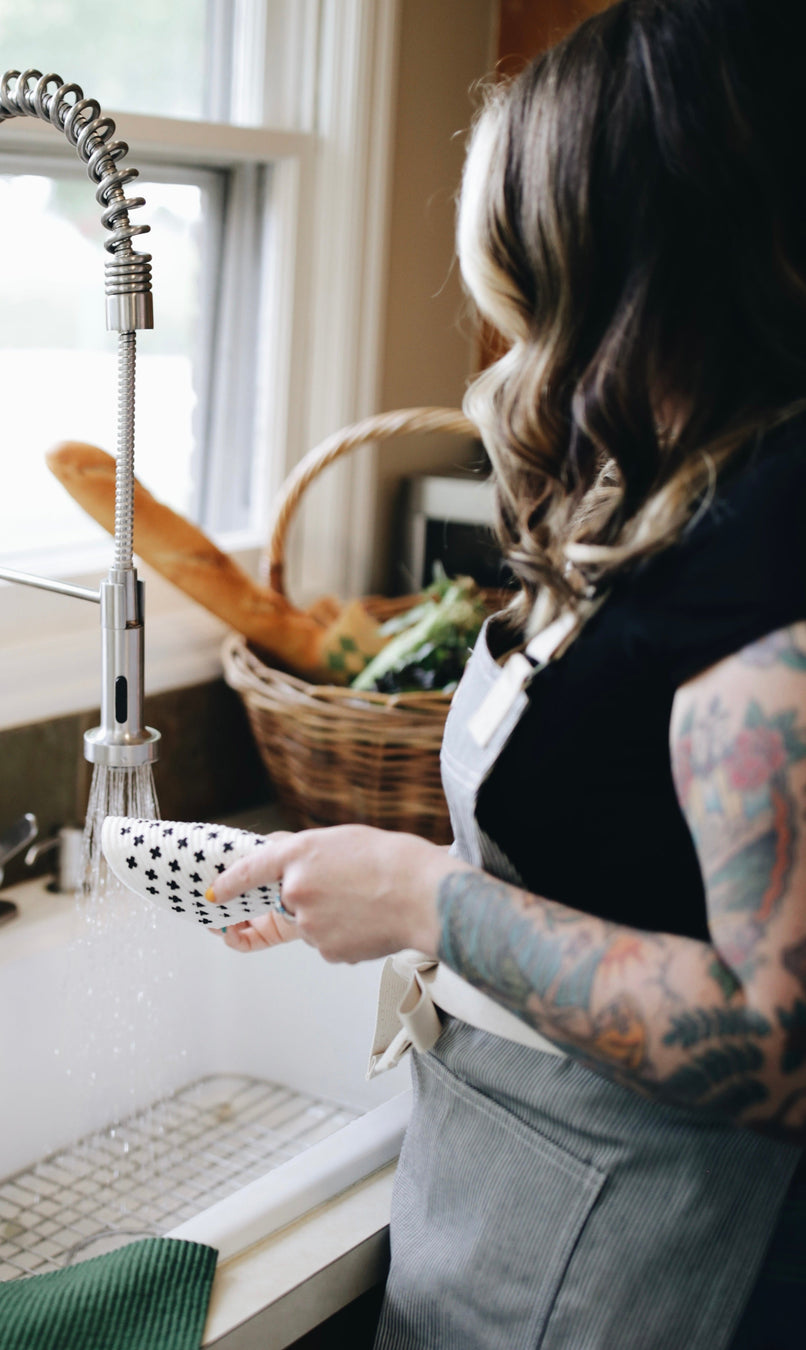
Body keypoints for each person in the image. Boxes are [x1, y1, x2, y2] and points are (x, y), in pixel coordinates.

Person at [208, 2, 806, 1345]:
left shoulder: (770, 551)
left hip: (666, 1264)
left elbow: (780, 1045)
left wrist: (426, 895)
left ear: (620, 259)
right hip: (532, 1198)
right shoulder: (683, 488)